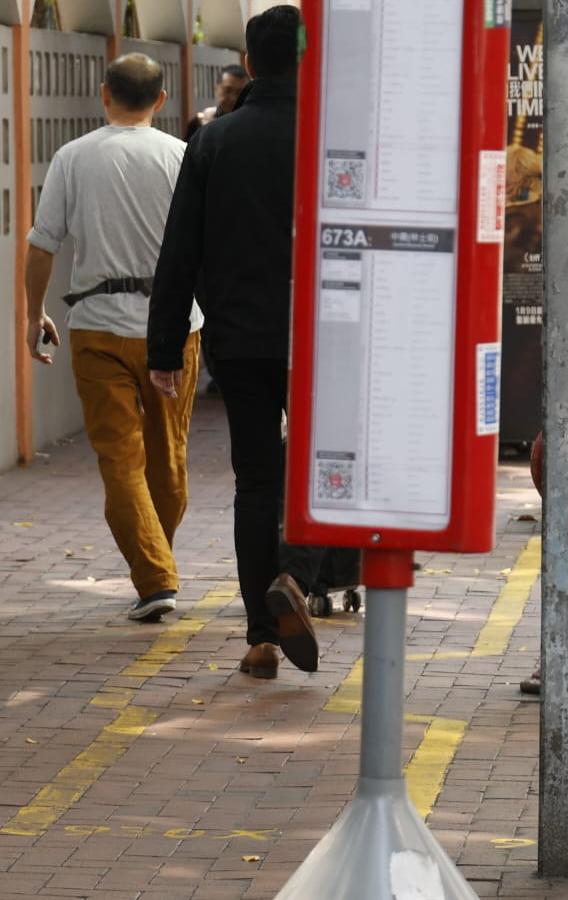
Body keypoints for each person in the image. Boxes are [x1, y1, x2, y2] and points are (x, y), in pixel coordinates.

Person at [147, 5, 321, 680]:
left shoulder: (215, 141)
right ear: (308, 59)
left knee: (256, 479)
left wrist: (164, 348)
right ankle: (296, 579)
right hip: (320, 339)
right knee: (316, 471)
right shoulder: (332, 137)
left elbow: (179, 252)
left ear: (249, 62)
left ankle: (260, 635)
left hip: (240, 336)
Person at [23, 54, 200, 623]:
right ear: (162, 100)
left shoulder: (74, 157)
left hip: (97, 326)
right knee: (168, 458)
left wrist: (33, 314)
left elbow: (42, 244)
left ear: (104, 95)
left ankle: (155, 576)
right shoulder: (182, 156)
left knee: (121, 461)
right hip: (175, 328)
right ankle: (157, 573)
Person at [185, 64, 248, 140]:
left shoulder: (253, 124)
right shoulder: (200, 123)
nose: (233, 98)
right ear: (216, 89)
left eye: (240, 92)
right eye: (228, 91)